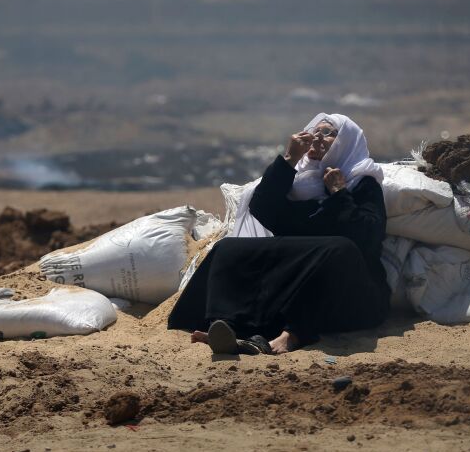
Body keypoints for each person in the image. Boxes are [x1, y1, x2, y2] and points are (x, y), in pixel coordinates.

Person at [167, 113, 391, 354]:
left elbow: (368, 237)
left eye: (329, 133)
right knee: (229, 247)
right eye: (315, 131)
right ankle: (224, 325)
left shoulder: (362, 183)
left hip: (351, 292)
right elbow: (263, 209)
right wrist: (290, 158)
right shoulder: (299, 184)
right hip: (293, 281)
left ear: (347, 142)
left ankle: (292, 335)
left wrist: (339, 193)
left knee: (339, 248)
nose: (318, 138)